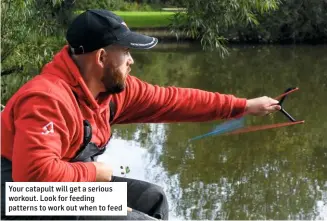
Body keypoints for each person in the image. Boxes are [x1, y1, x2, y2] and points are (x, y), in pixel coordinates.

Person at [1, 9, 281, 220]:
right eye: (125, 52)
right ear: (101, 58)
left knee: (152, 198)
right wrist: (94, 172)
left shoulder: (110, 93)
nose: (132, 60)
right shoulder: (47, 98)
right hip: (21, 195)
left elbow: (176, 101)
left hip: (64, 185)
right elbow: (33, 179)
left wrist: (243, 106)